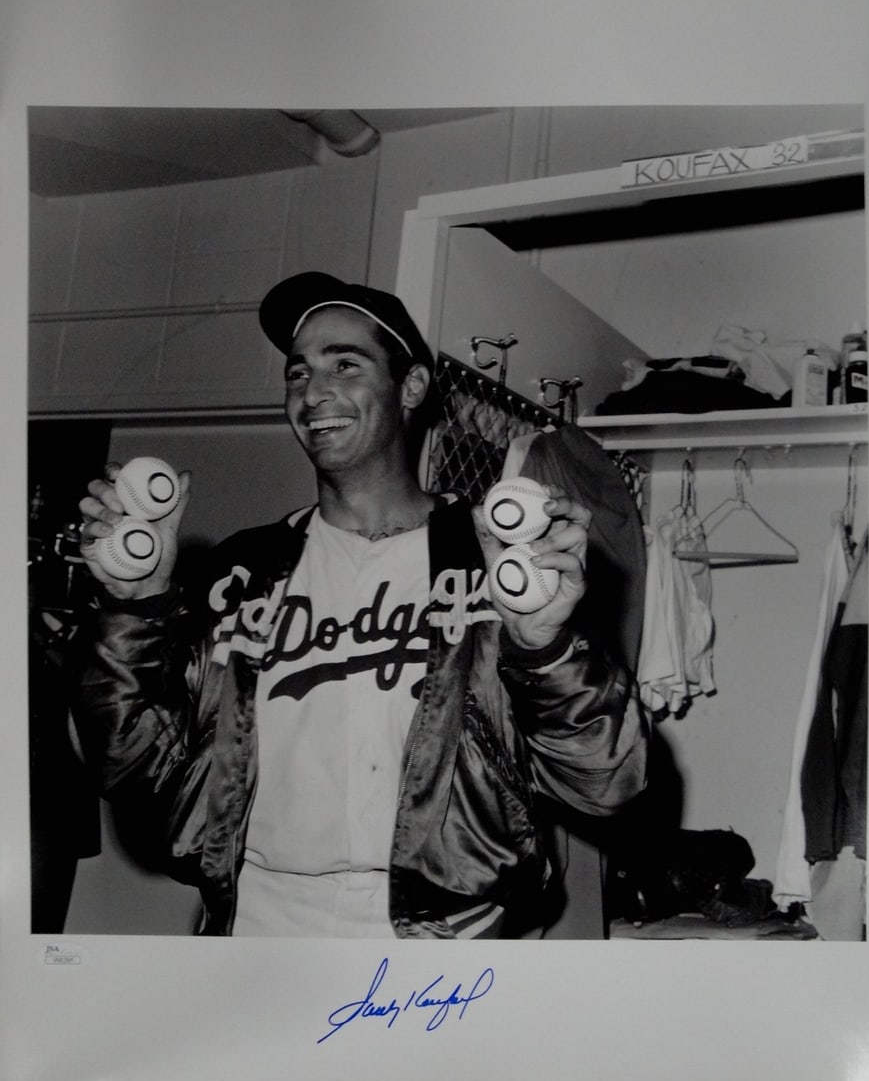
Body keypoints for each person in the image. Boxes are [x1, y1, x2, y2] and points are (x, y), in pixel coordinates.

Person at [72, 271, 649, 939]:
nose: (313, 392)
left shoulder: (495, 557)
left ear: (410, 387)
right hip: (257, 931)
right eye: (297, 373)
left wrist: (545, 647)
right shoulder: (241, 569)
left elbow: (606, 785)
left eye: (344, 363)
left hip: (443, 941)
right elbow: (132, 767)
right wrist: (134, 605)